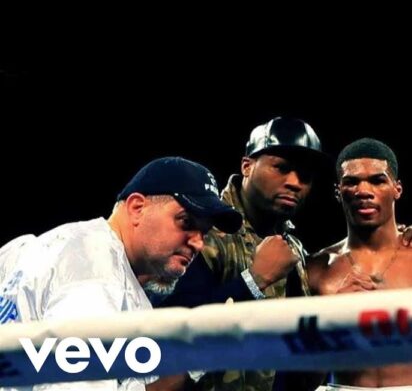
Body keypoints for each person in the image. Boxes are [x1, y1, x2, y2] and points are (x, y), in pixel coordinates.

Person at [159, 118, 412, 391]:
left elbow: (301, 372)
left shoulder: (297, 253)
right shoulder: (200, 234)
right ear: (247, 166)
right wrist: (253, 281)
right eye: (281, 168)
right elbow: (168, 338)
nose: (294, 182)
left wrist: (329, 317)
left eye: (305, 176)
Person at [0, 156, 242, 390]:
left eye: (204, 232)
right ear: (137, 208)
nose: (198, 243)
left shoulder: (56, 246)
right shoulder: (96, 276)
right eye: (186, 222)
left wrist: (200, 356)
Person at [307, 138, 412, 391]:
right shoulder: (316, 269)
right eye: (352, 182)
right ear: (338, 192)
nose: (363, 191)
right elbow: (300, 377)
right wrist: (330, 319)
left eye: (377, 180)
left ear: (397, 188)